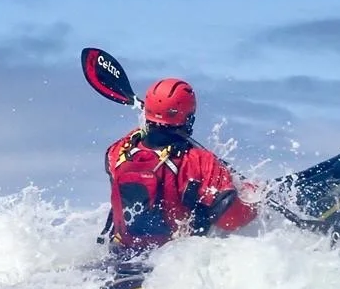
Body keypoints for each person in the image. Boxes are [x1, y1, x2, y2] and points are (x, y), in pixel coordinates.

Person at [101, 78, 259, 253]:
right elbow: (231, 219)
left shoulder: (119, 151)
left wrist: (156, 115)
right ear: (189, 118)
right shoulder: (199, 161)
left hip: (120, 254)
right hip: (170, 261)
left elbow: (138, 138)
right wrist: (255, 201)